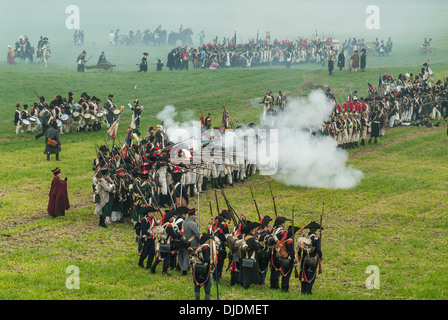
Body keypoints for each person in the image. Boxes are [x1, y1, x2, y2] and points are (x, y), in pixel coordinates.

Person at [298, 221, 323, 295]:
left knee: (304, 273)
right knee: (311, 274)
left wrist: (299, 256)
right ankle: (308, 291)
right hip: (312, 259)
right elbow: (318, 249)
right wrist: (321, 257)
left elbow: (299, 248)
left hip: (304, 258)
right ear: (315, 230)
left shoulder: (304, 236)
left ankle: (303, 291)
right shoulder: (315, 237)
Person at [191, 233, 212, 300]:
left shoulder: (200, 246)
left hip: (197, 267)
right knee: (208, 285)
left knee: (197, 285)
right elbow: (206, 259)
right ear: (208, 240)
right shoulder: (206, 247)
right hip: (204, 268)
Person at [137, 204, 158, 269]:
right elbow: (143, 230)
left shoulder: (154, 220)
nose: (154, 214)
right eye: (153, 212)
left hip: (152, 239)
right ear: (149, 213)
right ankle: (140, 263)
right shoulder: (144, 220)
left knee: (152, 252)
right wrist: (150, 235)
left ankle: (149, 265)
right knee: (145, 252)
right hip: (145, 239)